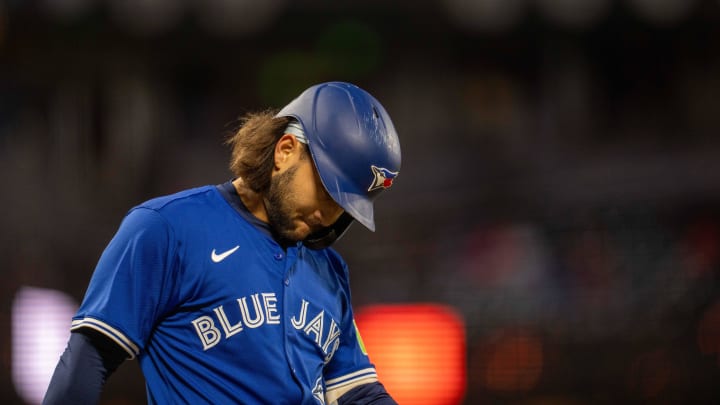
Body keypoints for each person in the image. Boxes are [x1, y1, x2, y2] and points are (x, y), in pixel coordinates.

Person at [43, 81, 401, 404]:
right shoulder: (166, 228)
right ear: (285, 150)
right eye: (327, 192)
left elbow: (359, 394)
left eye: (342, 206)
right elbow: (88, 360)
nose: (329, 215)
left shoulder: (330, 271)